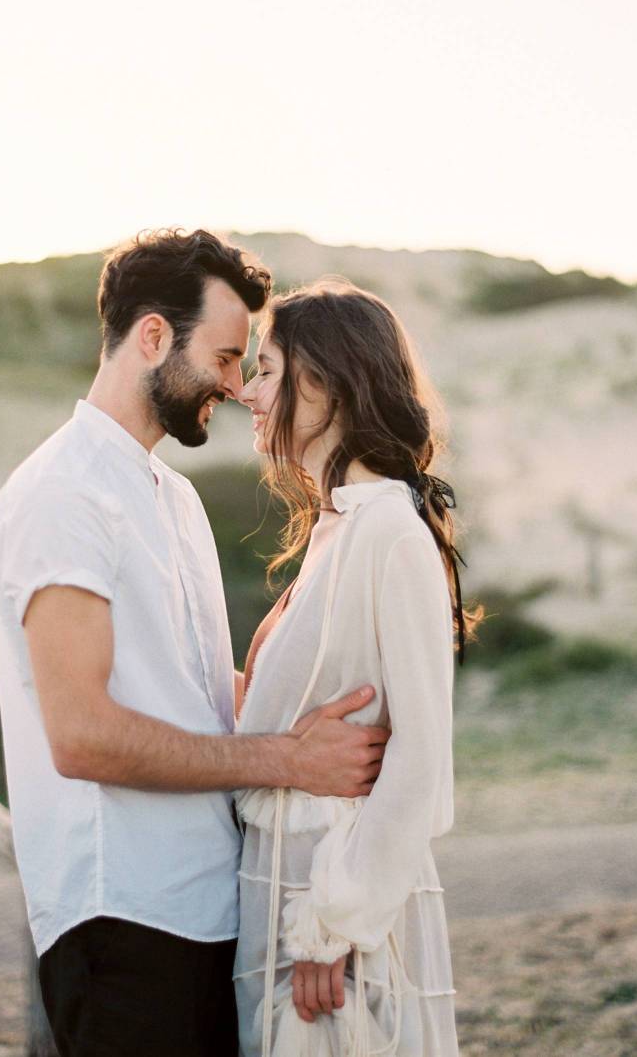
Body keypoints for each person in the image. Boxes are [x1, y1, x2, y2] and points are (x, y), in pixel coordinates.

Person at [0, 230, 389, 1057]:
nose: (240, 387)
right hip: (122, 923)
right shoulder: (63, 495)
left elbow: (199, 695)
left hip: (208, 910)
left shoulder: (172, 498)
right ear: (155, 337)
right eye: (228, 357)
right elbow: (82, 735)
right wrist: (287, 758)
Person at [234, 279, 480, 1056]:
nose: (247, 391)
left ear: (327, 384)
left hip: (335, 925)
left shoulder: (391, 534)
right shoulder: (335, 528)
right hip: (277, 889)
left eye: (266, 368)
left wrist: (332, 924)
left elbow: (421, 757)